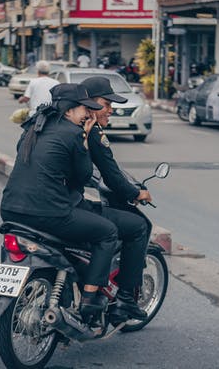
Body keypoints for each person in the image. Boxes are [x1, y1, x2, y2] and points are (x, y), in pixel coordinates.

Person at [0, 83, 119, 320]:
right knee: (107, 232)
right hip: (49, 213)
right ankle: (89, 299)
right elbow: (84, 176)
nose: (87, 114)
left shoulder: (33, 127)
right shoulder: (74, 133)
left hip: (10, 210)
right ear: (68, 110)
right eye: (84, 109)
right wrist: (84, 141)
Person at [79, 76, 153, 320]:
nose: (111, 110)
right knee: (138, 227)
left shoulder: (52, 126)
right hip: (63, 208)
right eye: (106, 104)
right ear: (88, 103)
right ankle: (124, 299)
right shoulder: (91, 132)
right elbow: (112, 177)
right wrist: (136, 193)